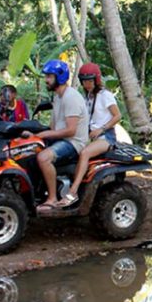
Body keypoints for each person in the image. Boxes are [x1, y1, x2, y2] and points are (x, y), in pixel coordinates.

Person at [21, 60, 89, 211]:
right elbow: (54, 126)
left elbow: (71, 130)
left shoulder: (71, 97)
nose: (46, 80)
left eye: (50, 77)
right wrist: (35, 135)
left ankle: (52, 198)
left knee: (43, 157)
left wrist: (45, 134)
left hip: (73, 142)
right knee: (29, 152)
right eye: (46, 76)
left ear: (60, 77)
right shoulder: (58, 97)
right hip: (60, 139)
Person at [59, 63, 121, 208]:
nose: (87, 84)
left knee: (85, 153)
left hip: (106, 136)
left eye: (90, 81)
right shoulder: (87, 97)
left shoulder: (105, 95)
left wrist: (102, 128)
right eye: (84, 81)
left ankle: (72, 192)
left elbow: (117, 116)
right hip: (88, 136)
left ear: (96, 80)